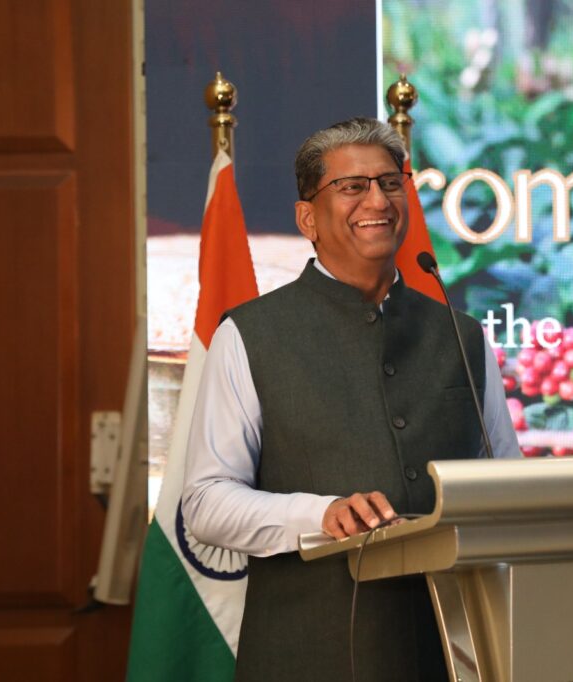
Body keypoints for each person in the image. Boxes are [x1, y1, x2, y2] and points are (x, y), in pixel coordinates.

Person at [182, 117, 519, 681]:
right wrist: (319, 513)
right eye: (352, 186)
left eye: (390, 183)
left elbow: (506, 484)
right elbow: (206, 502)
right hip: (308, 655)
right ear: (307, 218)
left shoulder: (461, 335)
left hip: (451, 656)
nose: (378, 200)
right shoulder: (250, 334)